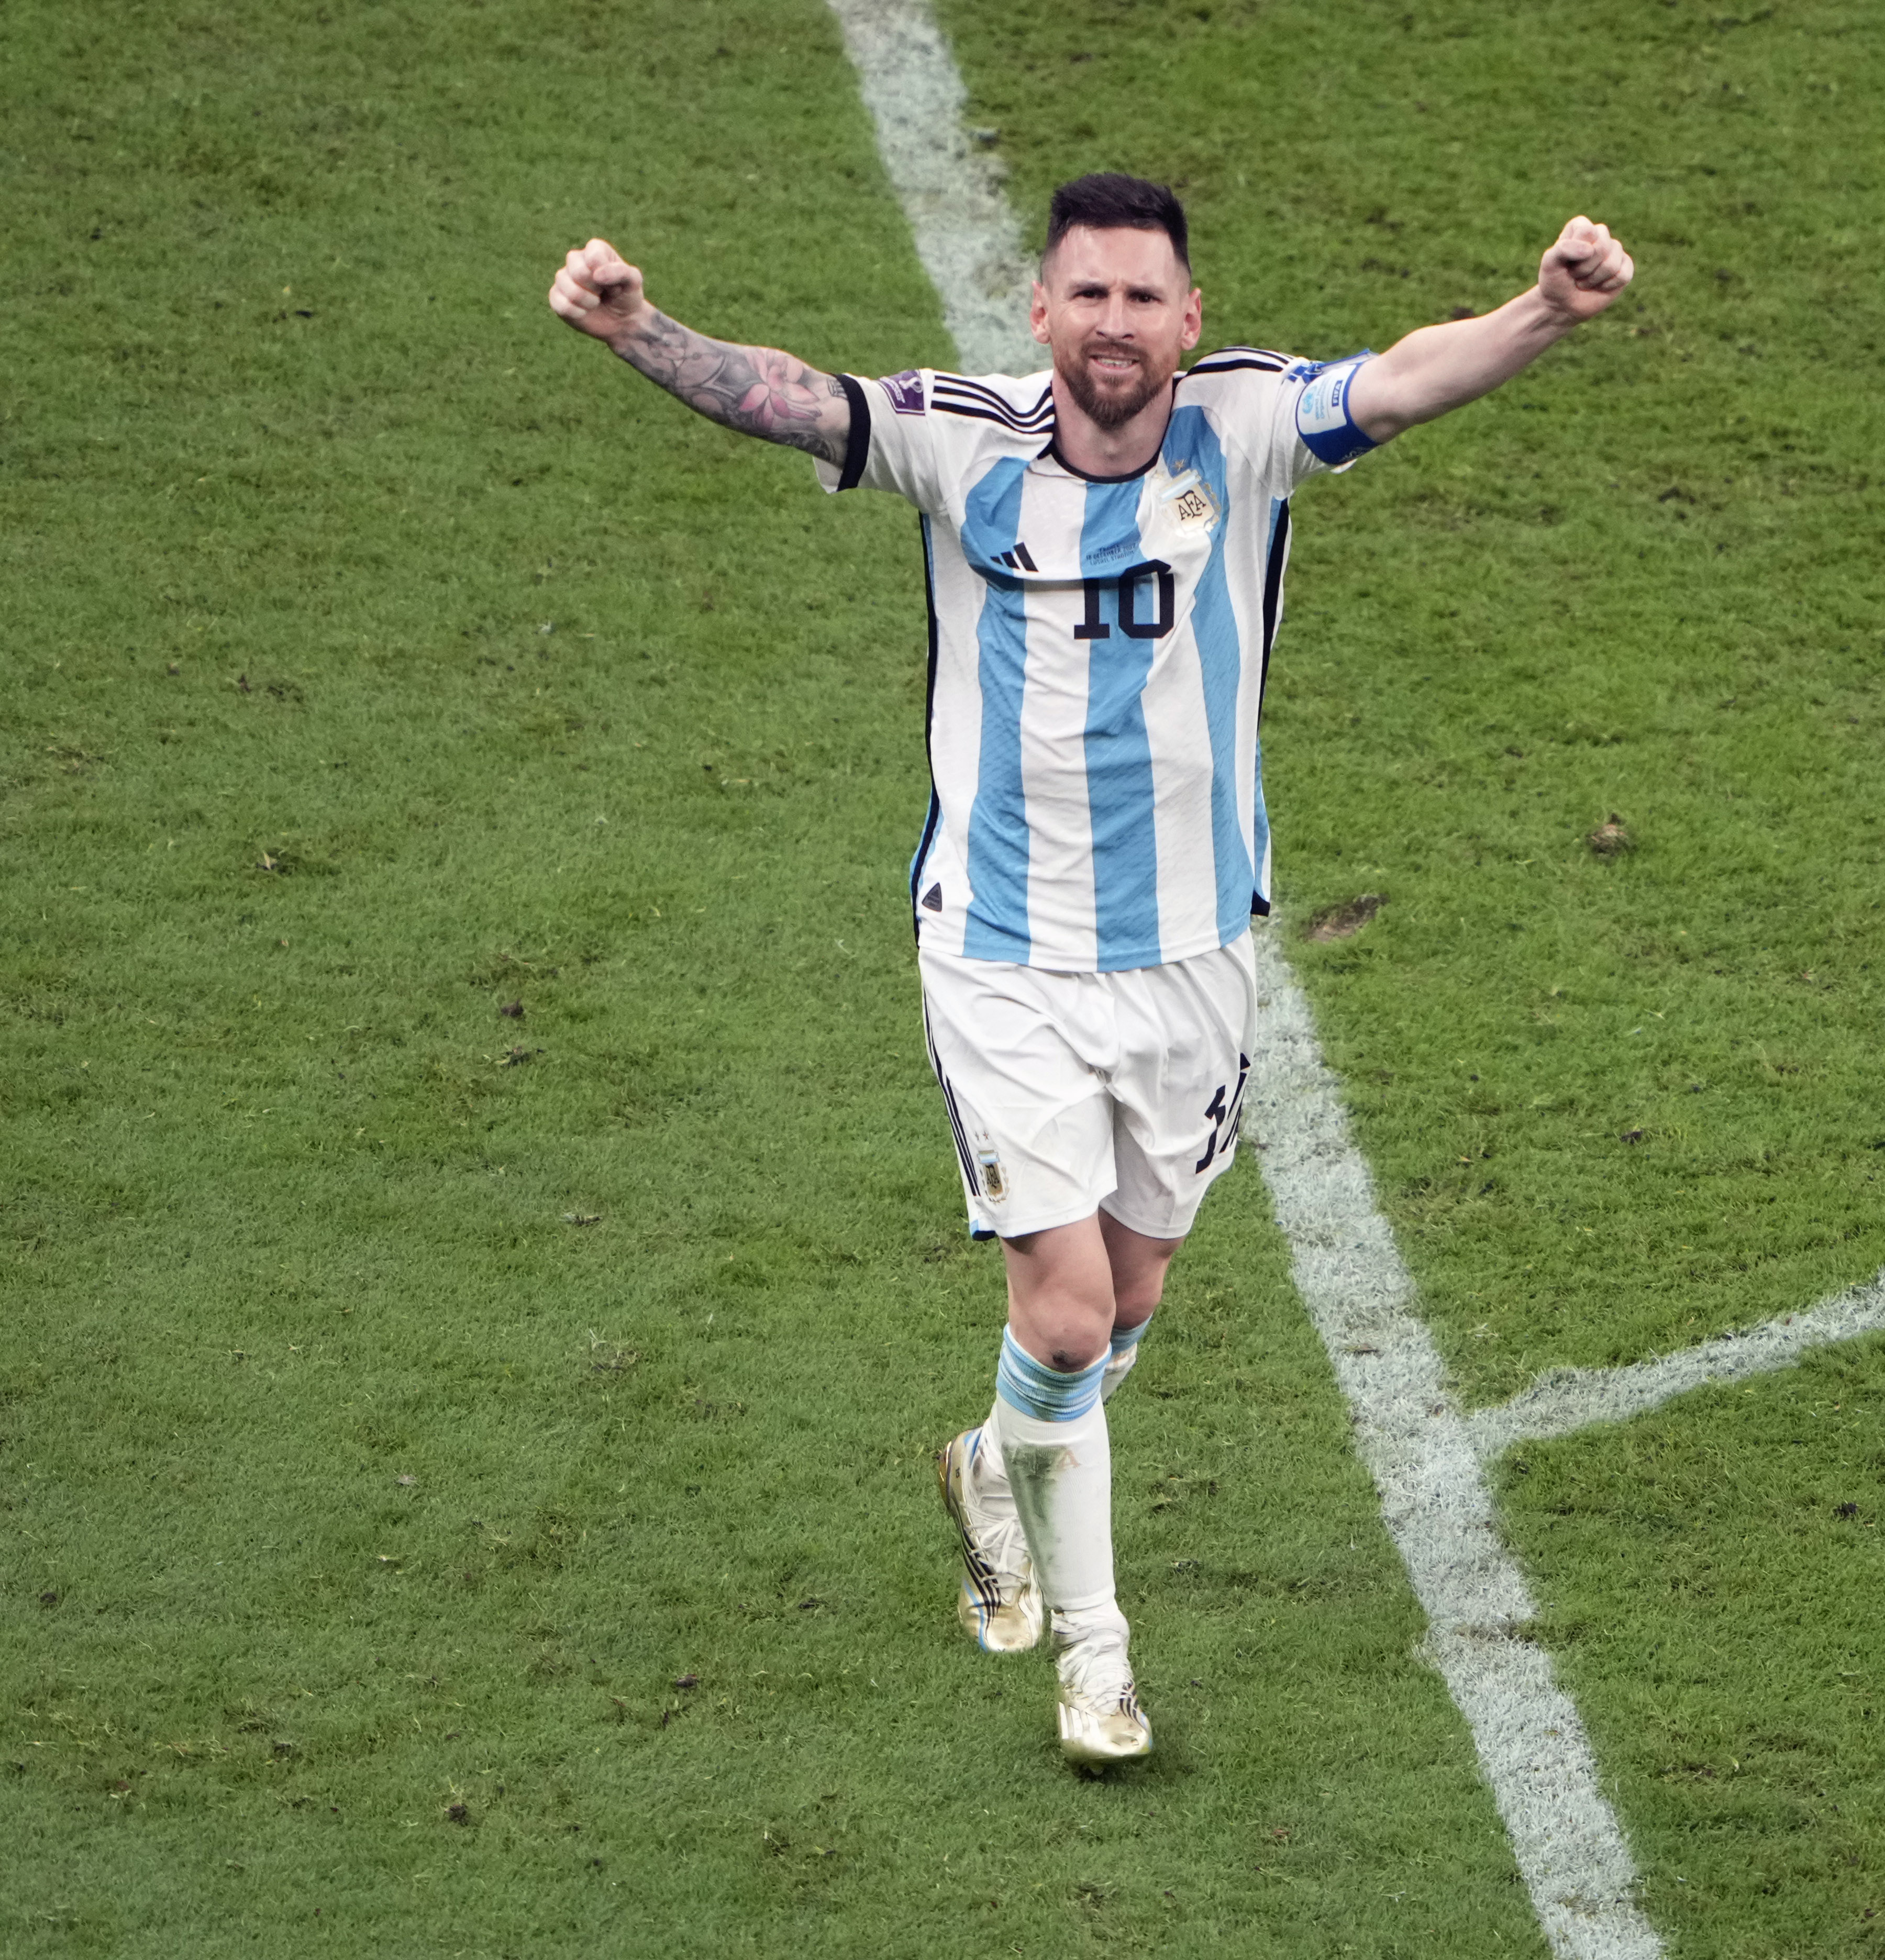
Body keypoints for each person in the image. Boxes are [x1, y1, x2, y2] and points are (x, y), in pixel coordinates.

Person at [546, 173, 1634, 1764]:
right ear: (1042, 311)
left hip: (1193, 953)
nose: (1114, 324)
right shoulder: (962, 442)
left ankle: (996, 1464)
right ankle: (1098, 1664)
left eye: (1142, 298)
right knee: (1062, 1320)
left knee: (1128, 1300)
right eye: (1089, 295)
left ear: (1187, 320)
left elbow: (1405, 379)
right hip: (1002, 953)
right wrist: (640, 330)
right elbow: (793, 399)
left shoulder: (1245, 428)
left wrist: (1544, 309)